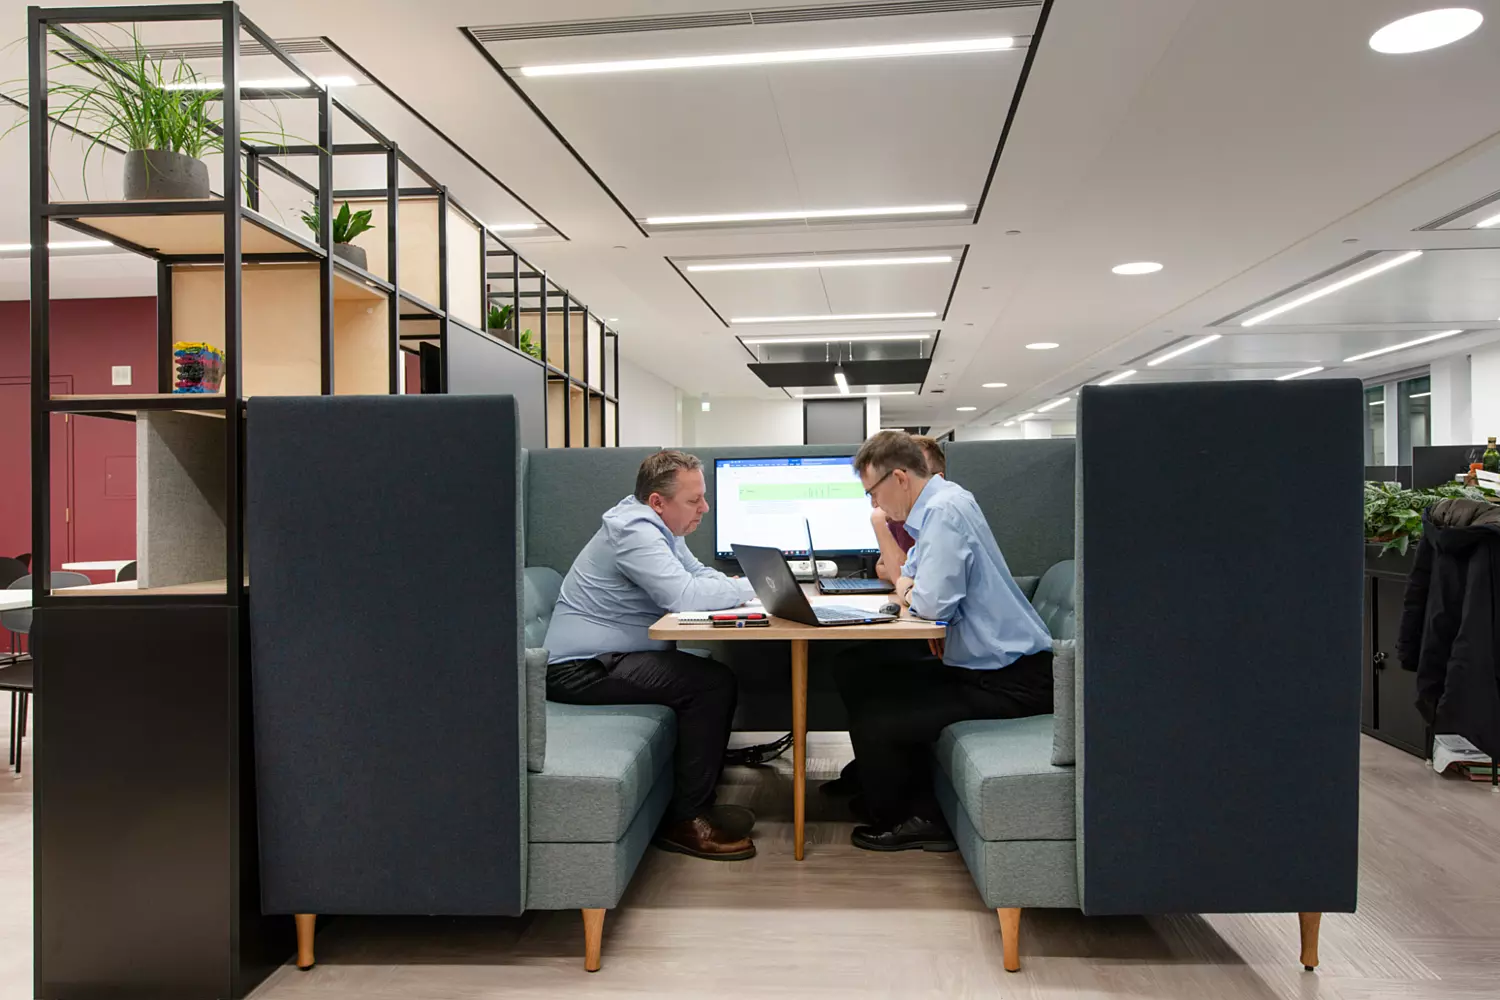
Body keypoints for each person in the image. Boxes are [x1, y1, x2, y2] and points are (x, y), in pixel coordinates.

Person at [836, 431, 1055, 852]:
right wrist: (909, 587)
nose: (875, 505)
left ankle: (916, 819)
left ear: (899, 477)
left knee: (877, 717)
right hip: (988, 667)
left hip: (1014, 680)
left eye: (873, 493)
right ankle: (885, 788)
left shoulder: (943, 512)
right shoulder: (943, 504)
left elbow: (928, 603)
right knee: (862, 671)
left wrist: (906, 587)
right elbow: (913, 582)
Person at [544, 450, 758, 861]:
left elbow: (696, 574)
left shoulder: (658, 526)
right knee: (711, 685)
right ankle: (685, 821)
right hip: (580, 669)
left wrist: (736, 585)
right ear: (658, 501)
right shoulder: (634, 531)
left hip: (612, 656)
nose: (705, 508)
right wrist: (750, 589)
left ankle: (696, 803)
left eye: (703, 497)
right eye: (694, 501)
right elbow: (682, 596)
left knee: (709, 677)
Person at [871, 435, 946, 584]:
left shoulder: (940, 517)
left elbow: (908, 579)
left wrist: (878, 520)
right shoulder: (900, 520)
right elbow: (882, 568)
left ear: (938, 479)